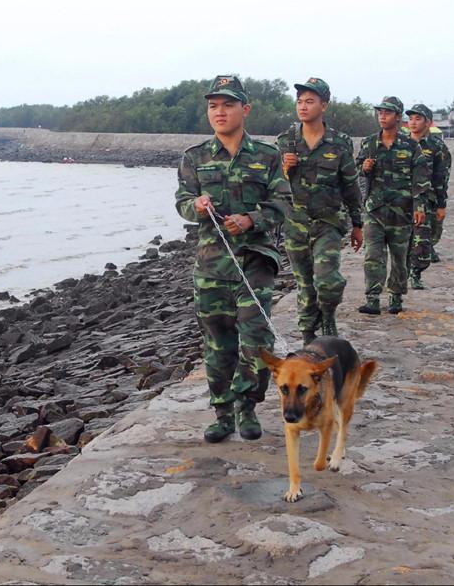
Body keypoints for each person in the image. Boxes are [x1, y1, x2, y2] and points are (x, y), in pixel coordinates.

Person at [174, 75, 290, 442]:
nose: (220, 112)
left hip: (255, 260)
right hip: (211, 265)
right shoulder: (194, 157)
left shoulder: (268, 157)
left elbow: (283, 203)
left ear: (245, 109)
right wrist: (196, 206)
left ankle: (248, 406)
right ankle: (222, 413)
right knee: (218, 343)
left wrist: (252, 219)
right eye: (213, 105)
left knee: (256, 340)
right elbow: (182, 202)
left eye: (227, 104)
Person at [277, 78, 363, 344]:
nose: (303, 107)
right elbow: (274, 186)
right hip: (296, 223)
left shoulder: (339, 142)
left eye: (310, 101)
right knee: (304, 284)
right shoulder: (286, 141)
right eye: (300, 101)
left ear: (324, 105)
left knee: (327, 280)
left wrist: (357, 223)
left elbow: (350, 185)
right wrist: (284, 169)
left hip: (328, 222)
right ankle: (308, 336)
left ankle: (328, 315)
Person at [356, 97, 431, 315]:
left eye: (387, 113)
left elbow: (420, 179)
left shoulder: (410, 146)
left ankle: (396, 297)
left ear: (398, 117)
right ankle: (372, 298)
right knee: (373, 256)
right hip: (375, 211)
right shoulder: (369, 143)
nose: (382, 116)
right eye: (380, 112)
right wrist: (364, 167)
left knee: (400, 258)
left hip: (402, 212)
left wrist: (420, 207)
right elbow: (355, 168)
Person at [405, 104, 452, 289]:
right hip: (401, 198)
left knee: (422, 239)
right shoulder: (400, 142)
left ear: (428, 122)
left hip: (427, 200)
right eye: (411, 119)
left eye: (418, 119)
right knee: (402, 239)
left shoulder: (437, 146)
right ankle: (402, 272)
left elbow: (442, 177)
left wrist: (441, 204)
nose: (413, 123)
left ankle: (416, 273)